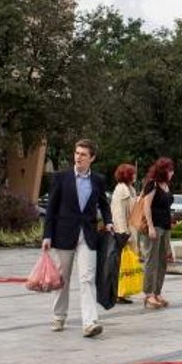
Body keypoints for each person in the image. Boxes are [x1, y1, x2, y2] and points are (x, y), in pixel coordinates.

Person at [42, 139, 113, 337]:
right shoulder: (61, 177)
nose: (78, 157)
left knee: (87, 279)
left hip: (87, 236)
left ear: (92, 158)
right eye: (76, 153)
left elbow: (104, 205)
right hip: (63, 234)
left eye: (83, 154)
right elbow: (51, 209)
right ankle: (59, 316)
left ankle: (89, 322)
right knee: (62, 278)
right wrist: (47, 235)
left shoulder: (98, 180)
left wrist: (108, 221)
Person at [141, 157, 175, 309]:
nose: (172, 173)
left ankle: (157, 292)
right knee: (151, 261)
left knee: (162, 261)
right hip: (155, 227)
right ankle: (148, 294)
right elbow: (146, 206)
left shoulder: (166, 185)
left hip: (165, 227)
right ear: (163, 170)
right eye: (169, 170)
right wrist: (150, 227)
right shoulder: (152, 184)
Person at [110, 163, 139, 304]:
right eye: (132, 173)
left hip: (130, 231)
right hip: (123, 232)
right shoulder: (121, 190)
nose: (135, 176)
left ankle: (123, 292)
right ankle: (117, 292)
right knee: (120, 263)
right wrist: (123, 233)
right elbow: (118, 213)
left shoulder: (130, 189)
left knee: (126, 263)